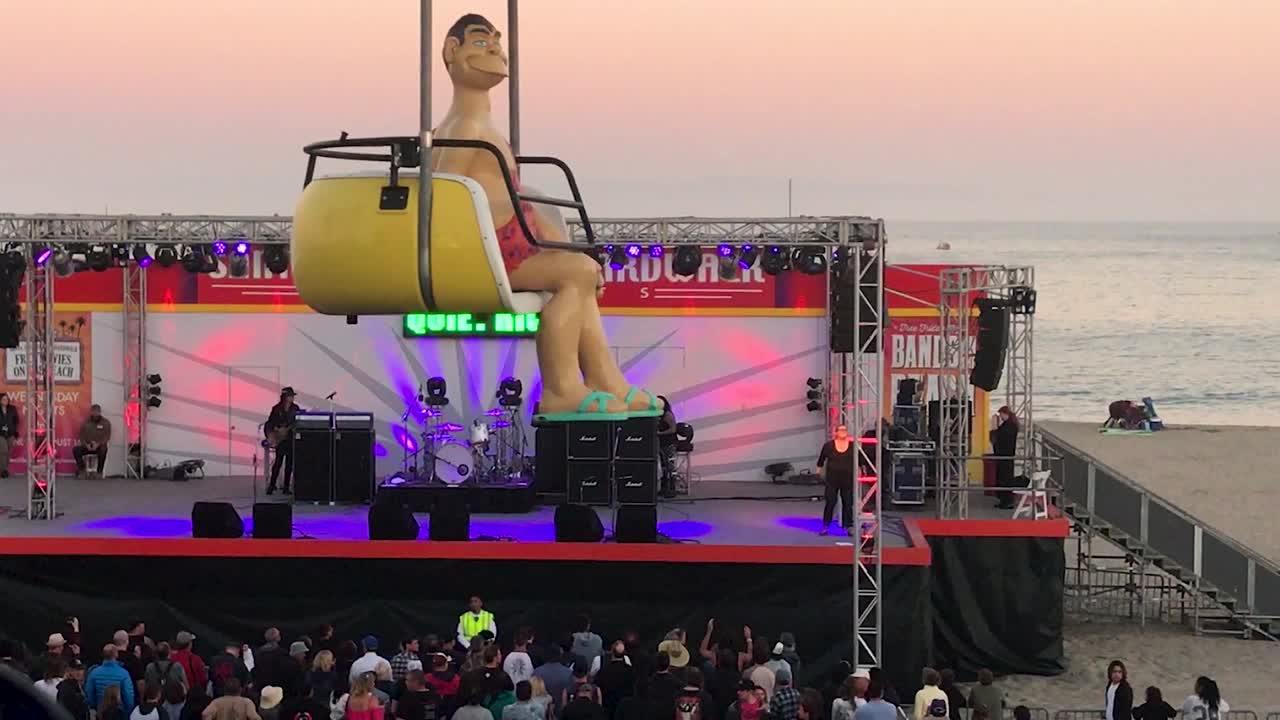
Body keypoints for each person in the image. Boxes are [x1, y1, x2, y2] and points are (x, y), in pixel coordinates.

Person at [432, 14, 658, 421]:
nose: (497, 50)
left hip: (510, 245)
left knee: (581, 273)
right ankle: (560, 387)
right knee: (575, 275)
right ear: (452, 51)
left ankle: (607, 379)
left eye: (498, 41)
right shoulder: (463, 127)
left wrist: (559, 241)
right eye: (481, 42)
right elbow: (443, 198)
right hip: (485, 256)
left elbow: (519, 199)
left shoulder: (483, 127)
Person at [816, 425, 856, 535]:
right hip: (832, 479)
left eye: (845, 430)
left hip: (847, 479)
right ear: (836, 432)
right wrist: (818, 471)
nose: (843, 432)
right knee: (830, 502)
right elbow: (821, 459)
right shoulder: (828, 446)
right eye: (841, 430)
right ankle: (825, 525)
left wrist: (863, 470)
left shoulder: (853, 445)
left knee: (848, 503)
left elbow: (859, 460)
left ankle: (848, 526)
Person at [265, 387, 301, 495]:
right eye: (290, 396)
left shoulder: (295, 408)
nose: (292, 398)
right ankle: (272, 486)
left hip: (290, 438)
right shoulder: (276, 408)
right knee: (278, 463)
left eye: (292, 396)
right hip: (280, 439)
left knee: (289, 464)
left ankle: (286, 487)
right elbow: (270, 423)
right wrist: (277, 429)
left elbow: (297, 422)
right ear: (285, 397)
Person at [88, 644, 136, 715]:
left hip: (101, 712)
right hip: (119, 713)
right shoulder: (124, 673)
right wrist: (127, 712)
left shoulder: (94, 673)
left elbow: (89, 693)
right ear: (116, 655)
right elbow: (129, 696)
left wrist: (95, 707)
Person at [990, 406, 1020, 509]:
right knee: (1004, 478)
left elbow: (998, 437)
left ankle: (1007, 501)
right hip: (1006, 455)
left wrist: (994, 428)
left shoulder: (1009, 426)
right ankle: (1005, 500)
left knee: (1004, 479)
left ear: (1005, 413)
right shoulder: (1010, 425)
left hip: (1005, 455)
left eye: (1001, 414)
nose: (1001, 417)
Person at [74, 404, 112, 478]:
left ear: (100, 412)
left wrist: (98, 444)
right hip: (87, 446)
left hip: (99, 446)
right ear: (91, 412)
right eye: (94, 411)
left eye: (97, 412)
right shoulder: (85, 423)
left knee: (103, 450)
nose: (95, 413)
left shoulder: (106, 423)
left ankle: (99, 472)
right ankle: (82, 470)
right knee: (76, 450)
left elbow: (107, 436)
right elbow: (81, 436)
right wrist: (86, 445)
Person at [657, 396, 679, 498]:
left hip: (669, 443)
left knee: (670, 466)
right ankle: (664, 488)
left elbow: (673, 429)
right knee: (664, 467)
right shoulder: (659, 415)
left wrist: (660, 433)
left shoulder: (667, 415)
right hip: (662, 443)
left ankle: (672, 489)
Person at [0, 392, 19, 478]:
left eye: (7, 399)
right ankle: (3, 470)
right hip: (0, 434)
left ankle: (5, 469)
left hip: (10, 434)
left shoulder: (12, 409)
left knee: (8, 452)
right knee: (3, 451)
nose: (6, 400)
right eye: (4, 399)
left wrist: (15, 435)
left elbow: (16, 421)